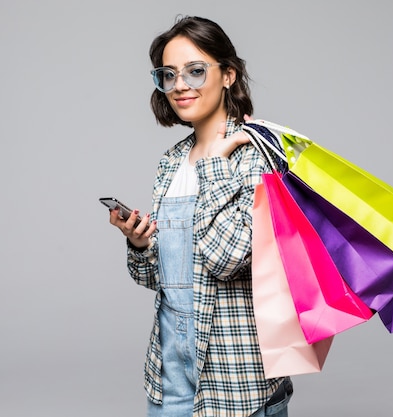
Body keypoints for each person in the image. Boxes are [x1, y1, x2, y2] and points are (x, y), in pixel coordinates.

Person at [109, 15, 293, 417]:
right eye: (169, 75)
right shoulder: (171, 162)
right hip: (170, 374)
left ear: (228, 74)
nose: (180, 85)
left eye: (195, 71)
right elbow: (159, 281)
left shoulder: (259, 156)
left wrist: (213, 166)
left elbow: (226, 260)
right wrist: (140, 243)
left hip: (237, 381)